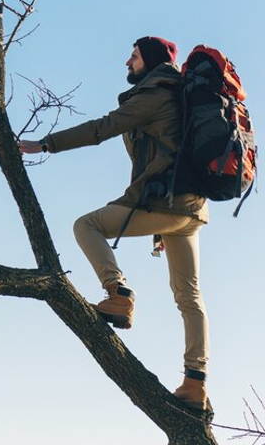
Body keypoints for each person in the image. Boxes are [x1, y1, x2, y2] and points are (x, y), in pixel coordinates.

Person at [18, 36, 210, 411]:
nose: (127, 62)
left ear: (150, 61)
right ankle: (195, 385)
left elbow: (101, 129)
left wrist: (45, 145)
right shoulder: (180, 96)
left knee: (86, 225)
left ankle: (118, 295)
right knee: (190, 299)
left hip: (167, 207)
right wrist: (160, 227)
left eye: (134, 56)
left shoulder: (154, 94)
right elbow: (170, 157)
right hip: (189, 211)